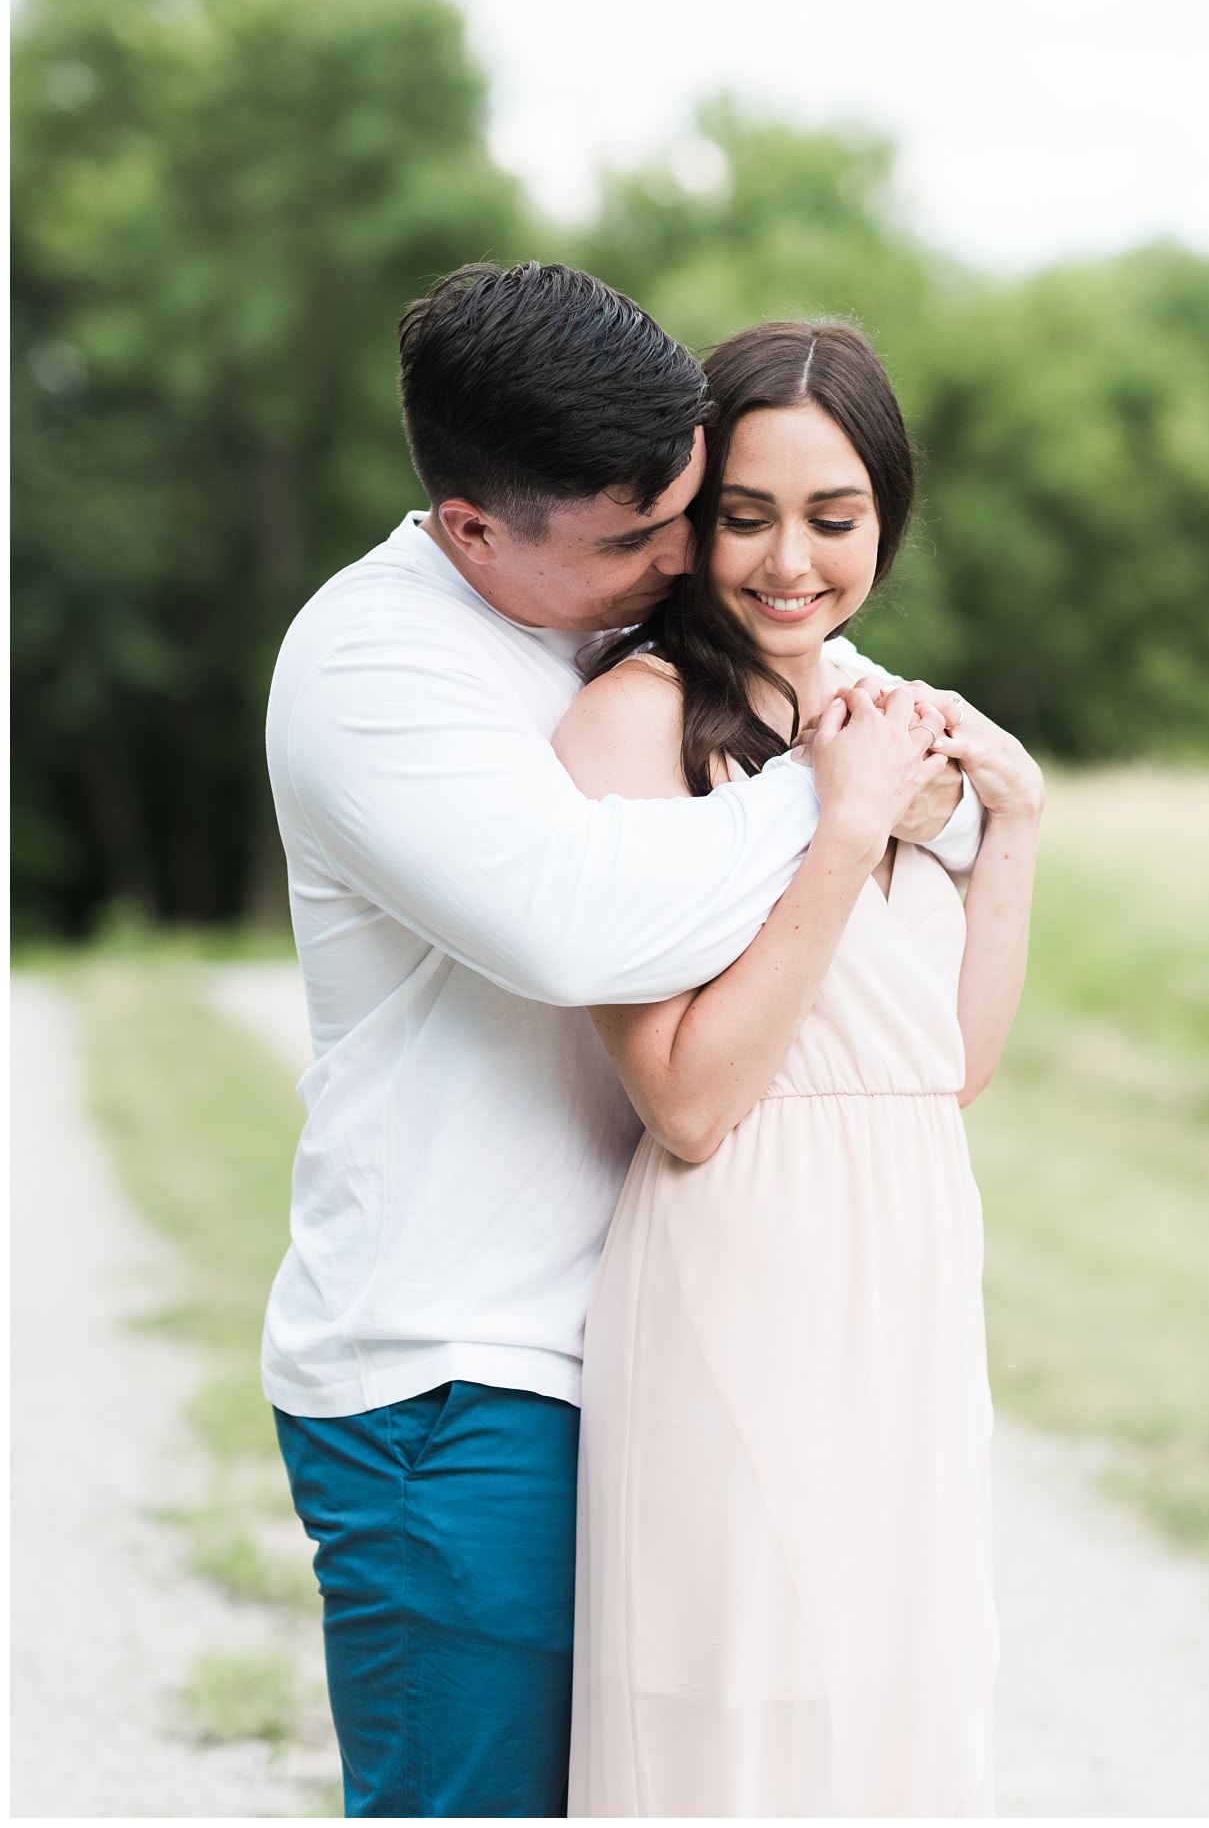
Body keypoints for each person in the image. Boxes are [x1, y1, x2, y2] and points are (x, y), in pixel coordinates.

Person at [263, 262, 985, 1818]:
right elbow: (579, 919)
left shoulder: (603, 636)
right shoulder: (374, 671)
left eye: (685, 512)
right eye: (637, 535)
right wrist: (842, 794)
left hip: (634, 1347)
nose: (680, 562)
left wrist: (949, 786)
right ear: (473, 530)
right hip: (455, 1372)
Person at [555, 319, 1044, 1817]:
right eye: (747, 515)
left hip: (905, 1260)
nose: (789, 562)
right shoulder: (631, 724)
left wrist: (1012, 830)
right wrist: (842, 826)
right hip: (739, 1264)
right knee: (742, 1699)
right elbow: (690, 1103)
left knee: (896, 1702)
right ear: (690, 519)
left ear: (886, 516)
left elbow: (941, 1072)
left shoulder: (882, 716)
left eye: (834, 519)